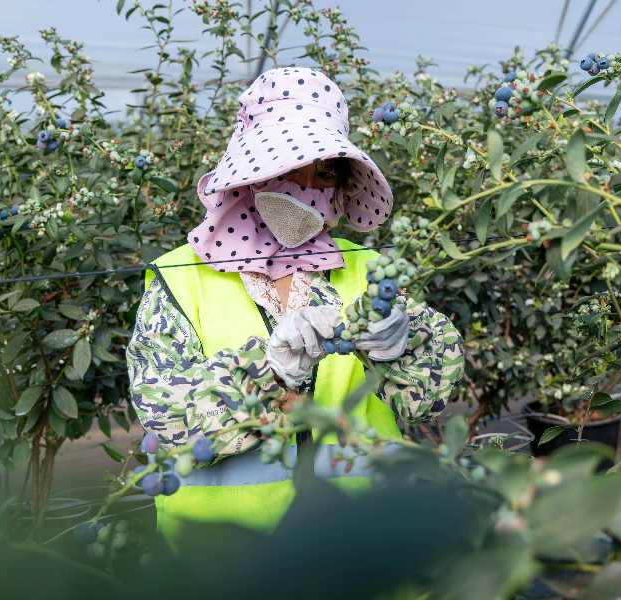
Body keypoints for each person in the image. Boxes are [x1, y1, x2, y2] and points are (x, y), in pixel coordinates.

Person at [126, 67, 464, 541]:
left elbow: (426, 401)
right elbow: (163, 413)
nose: (306, 187)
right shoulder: (182, 278)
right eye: (287, 167)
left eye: (323, 172)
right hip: (225, 556)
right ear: (250, 172)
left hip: (361, 543)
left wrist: (407, 343)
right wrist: (268, 373)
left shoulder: (366, 268)